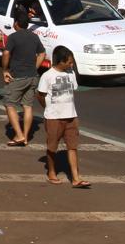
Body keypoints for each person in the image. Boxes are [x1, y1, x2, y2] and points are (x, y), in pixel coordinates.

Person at [38, 46, 90, 188]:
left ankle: (76, 178)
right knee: (52, 147)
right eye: (69, 62)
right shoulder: (47, 76)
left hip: (71, 116)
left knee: (72, 147)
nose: (71, 65)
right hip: (54, 117)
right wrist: (48, 108)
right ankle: (51, 172)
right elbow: (40, 95)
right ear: (61, 61)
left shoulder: (71, 73)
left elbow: (73, 89)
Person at [3, 9, 46, 146]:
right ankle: (25, 137)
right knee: (27, 106)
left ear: (16, 23)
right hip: (33, 76)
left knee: (9, 104)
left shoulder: (13, 37)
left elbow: (6, 53)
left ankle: (20, 135)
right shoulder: (34, 36)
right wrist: (35, 67)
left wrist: (5, 70)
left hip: (19, 76)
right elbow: (42, 54)